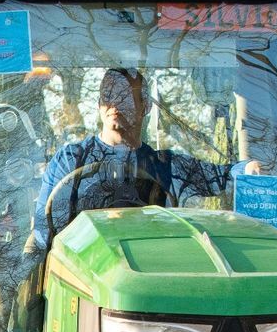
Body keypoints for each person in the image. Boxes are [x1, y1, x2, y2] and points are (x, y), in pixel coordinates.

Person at [28, 68, 229, 249]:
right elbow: (47, 231)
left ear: (146, 107)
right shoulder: (71, 160)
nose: (114, 104)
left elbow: (221, 177)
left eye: (124, 96)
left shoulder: (166, 166)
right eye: (108, 96)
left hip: (153, 262)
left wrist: (249, 170)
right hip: (85, 268)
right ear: (99, 106)